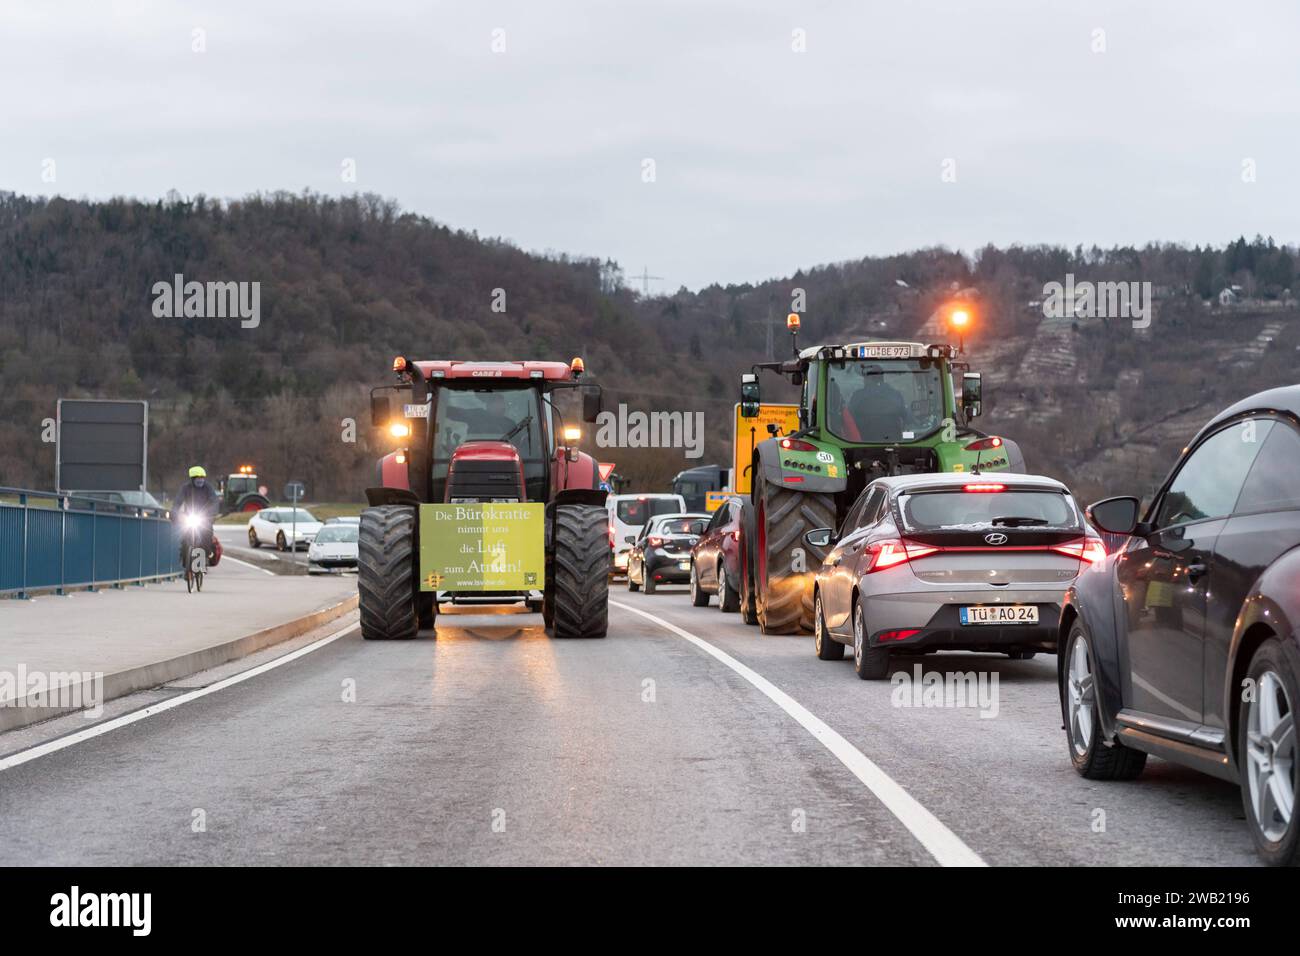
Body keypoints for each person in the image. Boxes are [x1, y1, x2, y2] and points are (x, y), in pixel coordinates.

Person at [173, 466, 220, 568]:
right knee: (185, 537)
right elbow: (178, 501)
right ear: (192, 479)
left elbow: (214, 501)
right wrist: (175, 513)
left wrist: (212, 513)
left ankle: (205, 558)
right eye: (198, 478)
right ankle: (186, 562)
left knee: (206, 537)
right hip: (190, 516)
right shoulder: (185, 488)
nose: (200, 480)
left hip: (205, 517)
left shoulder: (208, 488)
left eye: (202, 477)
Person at [847, 364, 907, 441]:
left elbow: (849, 418)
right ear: (882, 378)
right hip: (893, 442)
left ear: (869, 379)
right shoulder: (895, 395)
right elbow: (905, 416)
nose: (864, 380)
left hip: (863, 442)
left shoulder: (858, 396)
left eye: (865, 377)